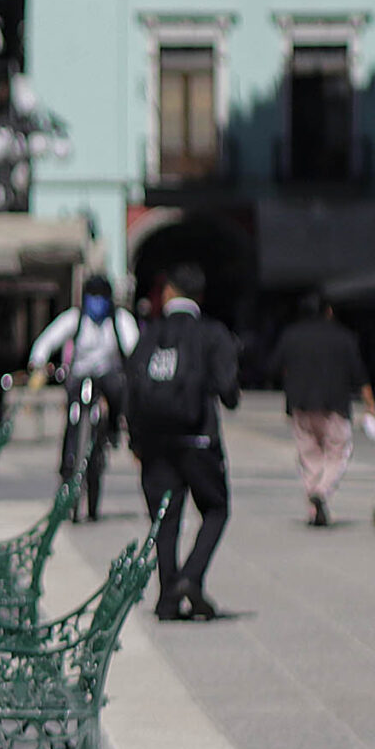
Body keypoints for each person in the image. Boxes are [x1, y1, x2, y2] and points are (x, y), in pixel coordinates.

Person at [127, 263, 241, 620]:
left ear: (169, 293)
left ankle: (166, 597)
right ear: (201, 296)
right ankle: (190, 577)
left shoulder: (150, 333)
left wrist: (135, 441)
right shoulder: (212, 333)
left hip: (155, 442)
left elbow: (131, 386)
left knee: (165, 517)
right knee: (216, 508)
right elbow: (229, 392)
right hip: (198, 439)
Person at [28, 286, 138, 521]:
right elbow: (49, 339)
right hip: (79, 377)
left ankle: (112, 429)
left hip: (108, 377)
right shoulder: (75, 319)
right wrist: (38, 362)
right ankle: (69, 462)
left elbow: (134, 348)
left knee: (119, 390)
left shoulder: (120, 320)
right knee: (73, 420)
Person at [270, 296, 375, 528]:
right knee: (338, 452)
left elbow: (274, 366)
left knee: (309, 456)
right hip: (334, 405)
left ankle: (313, 508)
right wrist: (370, 405)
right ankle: (321, 491)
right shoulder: (344, 337)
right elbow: (359, 373)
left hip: (300, 405)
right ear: (328, 311)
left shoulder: (291, 335)